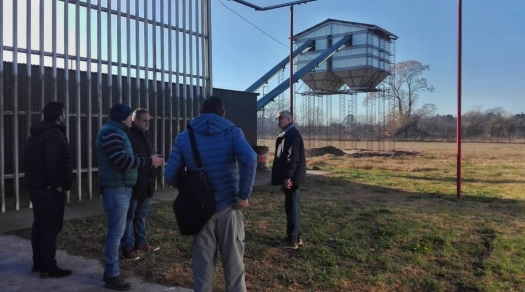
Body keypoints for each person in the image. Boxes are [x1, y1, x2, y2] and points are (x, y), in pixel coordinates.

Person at [164, 96, 257, 292]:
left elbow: (170, 173)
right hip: (229, 209)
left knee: (202, 271)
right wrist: (243, 195)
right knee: (234, 269)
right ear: (223, 113)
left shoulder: (184, 137)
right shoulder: (232, 132)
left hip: (200, 213)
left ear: (200, 113)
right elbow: (249, 158)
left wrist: (189, 191)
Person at [96, 103, 163, 291]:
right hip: (117, 189)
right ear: (126, 117)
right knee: (116, 234)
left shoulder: (116, 132)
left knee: (117, 232)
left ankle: (112, 270)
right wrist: (149, 161)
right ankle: (111, 275)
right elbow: (122, 160)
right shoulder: (112, 133)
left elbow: (126, 157)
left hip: (122, 188)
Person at [24, 101, 74, 279]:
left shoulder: (37, 133)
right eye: (64, 113)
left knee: (39, 225)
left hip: (36, 187)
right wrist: (58, 185)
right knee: (50, 227)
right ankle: (48, 267)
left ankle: (38, 262)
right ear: (60, 116)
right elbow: (53, 162)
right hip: (48, 190)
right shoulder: (54, 134)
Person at [120, 108, 160, 261]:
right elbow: (130, 158)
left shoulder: (145, 134)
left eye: (149, 121)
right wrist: (149, 160)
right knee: (130, 216)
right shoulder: (129, 135)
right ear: (135, 120)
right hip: (135, 182)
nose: (147, 124)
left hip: (146, 182)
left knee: (141, 216)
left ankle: (141, 243)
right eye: (145, 121)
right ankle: (127, 247)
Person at [271, 110, 307, 250]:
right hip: (292, 176)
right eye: (277, 118)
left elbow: (293, 158)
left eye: (280, 118)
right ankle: (296, 237)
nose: (277, 121)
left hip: (292, 177)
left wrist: (288, 177)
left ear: (289, 119)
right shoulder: (288, 133)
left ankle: (292, 240)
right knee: (294, 206)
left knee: (291, 207)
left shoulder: (291, 135)